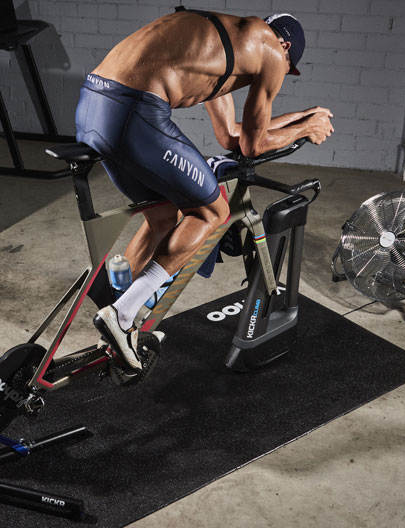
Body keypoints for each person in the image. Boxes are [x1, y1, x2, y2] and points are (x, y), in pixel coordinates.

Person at [76, 8, 334, 372]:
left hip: (93, 106)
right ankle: (122, 315)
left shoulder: (224, 44)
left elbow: (231, 135)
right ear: (286, 47)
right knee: (213, 211)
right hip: (134, 113)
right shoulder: (273, 51)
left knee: (163, 216)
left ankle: (119, 315)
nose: (279, 76)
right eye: (286, 70)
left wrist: (300, 117)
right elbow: (252, 146)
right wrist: (307, 130)